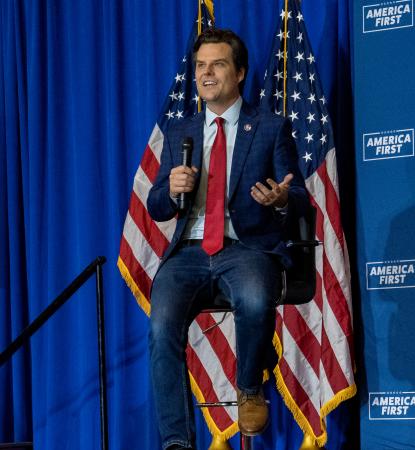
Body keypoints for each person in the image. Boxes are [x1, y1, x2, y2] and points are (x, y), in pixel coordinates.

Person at [146, 28, 309, 450]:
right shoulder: (181, 130)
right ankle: (177, 442)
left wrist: (278, 200)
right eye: (200, 66)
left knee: (255, 300)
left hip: (247, 247)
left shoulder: (271, 128)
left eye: (217, 64)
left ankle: (250, 387)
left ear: (238, 73)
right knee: (162, 324)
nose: (206, 73)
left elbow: (298, 196)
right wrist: (172, 187)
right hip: (189, 252)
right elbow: (159, 206)